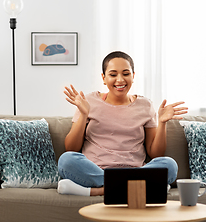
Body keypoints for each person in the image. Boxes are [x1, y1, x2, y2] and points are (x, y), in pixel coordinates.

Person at [57, 51, 188, 196]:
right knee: (66, 160)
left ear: (133, 76)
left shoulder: (145, 105)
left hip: (135, 170)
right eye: (113, 75)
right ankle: (142, 186)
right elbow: (71, 148)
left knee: (169, 165)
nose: (120, 80)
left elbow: (156, 154)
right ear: (104, 78)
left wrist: (162, 123)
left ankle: (99, 191)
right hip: (96, 170)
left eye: (126, 74)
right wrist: (83, 114)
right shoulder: (88, 101)